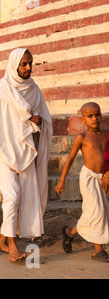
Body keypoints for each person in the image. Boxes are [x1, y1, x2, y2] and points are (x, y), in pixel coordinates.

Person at [0, 48, 52, 263]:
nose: (28, 68)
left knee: (24, 197)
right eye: (24, 64)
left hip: (26, 151)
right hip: (5, 151)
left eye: (30, 63)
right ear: (14, 64)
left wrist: (37, 121)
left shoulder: (34, 90)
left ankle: (2, 240)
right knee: (12, 197)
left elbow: (43, 117)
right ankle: (12, 247)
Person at [55, 102, 109, 263]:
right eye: (90, 116)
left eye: (97, 115)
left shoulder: (107, 134)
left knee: (95, 211)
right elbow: (70, 159)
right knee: (97, 211)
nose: (95, 119)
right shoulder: (82, 137)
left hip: (103, 177)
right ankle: (98, 250)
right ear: (83, 119)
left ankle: (70, 233)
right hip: (88, 178)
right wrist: (62, 180)